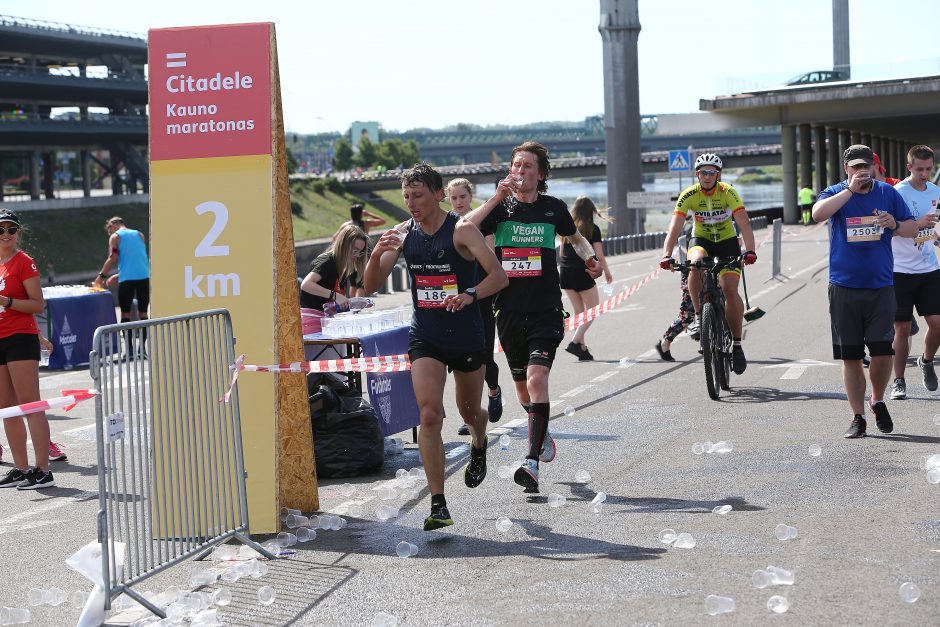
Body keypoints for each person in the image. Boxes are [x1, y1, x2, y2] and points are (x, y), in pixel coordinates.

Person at [363, 163, 507, 530]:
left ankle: (478, 442)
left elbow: (499, 276)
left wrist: (470, 294)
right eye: (406, 196)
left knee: (470, 410)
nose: (412, 203)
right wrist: (377, 252)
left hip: (466, 333)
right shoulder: (402, 234)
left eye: (419, 195)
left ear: (438, 195)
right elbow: (370, 285)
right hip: (426, 334)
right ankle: (438, 502)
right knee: (429, 414)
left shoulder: (462, 229)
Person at [465, 141, 602, 493]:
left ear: (541, 174)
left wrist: (590, 258)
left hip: (545, 310)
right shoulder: (501, 209)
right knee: (524, 391)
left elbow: (576, 240)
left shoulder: (553, 208)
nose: (520, 171)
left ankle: (531, 464)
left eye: (527, 166)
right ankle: (541, 430)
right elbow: (462, 230)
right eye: (515, 165)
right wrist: (495, 198)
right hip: (508, 311)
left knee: (538, 378)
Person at [811, 145, 916, 438]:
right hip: (844, 286)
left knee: (883, 352)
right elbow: (817, 215)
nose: (862, 172)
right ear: (847, 169)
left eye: (866, 166)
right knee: (852, 357)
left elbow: (911, 229)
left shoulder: (887, 193)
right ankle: (857, 416)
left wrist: (894, 223)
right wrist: (849, 192)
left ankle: (878, 399)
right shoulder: (834, 192)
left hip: (881, 285)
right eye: (856, 167)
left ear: (874, 166)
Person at [659, 153, 757, 375]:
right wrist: (666, 254)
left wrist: (750, 251)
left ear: (718, 174)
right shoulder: (689, 195)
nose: (707, 176)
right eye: (703, 172)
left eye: (712, 172)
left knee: (730, 290)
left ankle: (737, 344)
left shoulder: (728, 192)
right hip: (701, 240)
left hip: (727, 242)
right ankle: (699, 317)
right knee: (694, 264)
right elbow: (674, 228)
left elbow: (744, 223)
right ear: (697, 174)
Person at [0, 209, 56, 489]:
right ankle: (20, 468)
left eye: (12, 229)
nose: (6, 234)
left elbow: (37, 304)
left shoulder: (24, 262)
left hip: (19, 337)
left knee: (30, 404)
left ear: (18, 233)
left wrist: (6, 301)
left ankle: (43, 469)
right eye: (1, 229)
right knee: (7, 408)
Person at [446, 178, 504, 435]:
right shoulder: (447, 223)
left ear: (471, 196)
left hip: (480, 295)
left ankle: (494, 390)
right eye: (454, 198)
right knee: (462, 358)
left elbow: (490, 259)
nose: (459, 202)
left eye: (463, 197)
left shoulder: (484, 221)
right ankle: (471, 413)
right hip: (455, 298)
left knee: (483, 356)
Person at [888, 145, 940, 400]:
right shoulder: (898, 193)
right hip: (900, 269)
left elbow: (932, 223)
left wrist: (935, 237)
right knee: (903, 328)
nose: (924, 174)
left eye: (929, 169)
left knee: (937, 324)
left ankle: (927, 361)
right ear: (909, 167)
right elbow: (891, 229)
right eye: (919, 169)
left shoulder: (935, 191)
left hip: (930, 268)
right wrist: (915, 225)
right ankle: (898, 380)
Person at [560, 195, 613, 361]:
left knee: (579, 312)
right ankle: (575, 342)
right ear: (591, 211)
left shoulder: (567, 228)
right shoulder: (592, 229)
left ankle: (581, 349)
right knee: (593, 310)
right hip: (583, 272)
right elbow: (599, 256)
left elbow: (561, 253)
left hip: (565, 273)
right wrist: (607, 272)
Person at [93, 217, 150, 358]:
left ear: (112, 225)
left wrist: (101, 277)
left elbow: (112, 258)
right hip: (144, 277)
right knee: (143, 314)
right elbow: (137, 260)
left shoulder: (115, 236)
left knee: (125, 314)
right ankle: (142, 349)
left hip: (127, 280)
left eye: (109, 230)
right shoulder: (139, 234)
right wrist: (118, 275)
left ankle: (129, 351)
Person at [300, 223, 367, 312]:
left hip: (324, 316)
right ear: (343, 245)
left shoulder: (343, 266)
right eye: (355, 250)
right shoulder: (327, 261)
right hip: (310, 317)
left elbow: (336, 301)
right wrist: (335, 296)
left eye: (360, 252)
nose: (357, 255)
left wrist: (353, 303)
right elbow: (306, 284)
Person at [656, 222, 695, 361]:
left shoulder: (717, 217)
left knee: (721, 301)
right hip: (692, 271)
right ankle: (665, 342)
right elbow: (683, 248)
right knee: (688, 314)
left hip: (712, 270)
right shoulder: (690, 225)